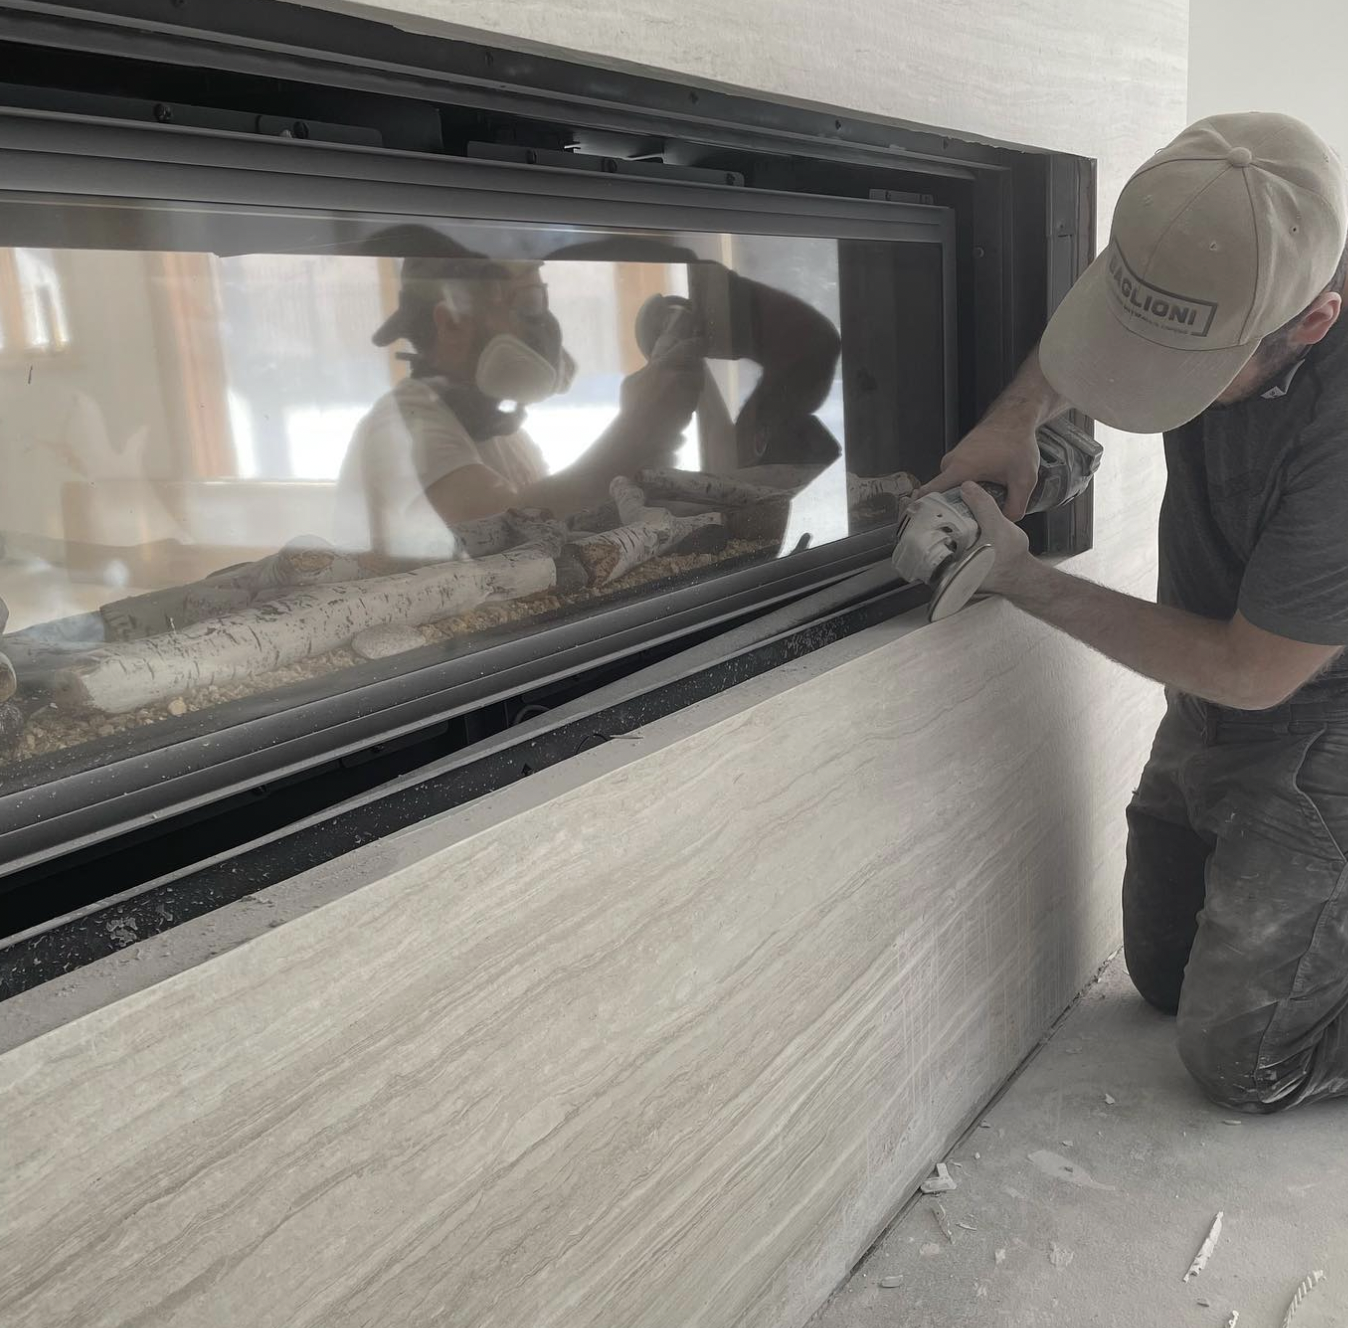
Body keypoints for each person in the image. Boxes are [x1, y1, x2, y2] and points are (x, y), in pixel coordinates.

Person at [916, 112, 1348, 1113]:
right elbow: (1101, 322)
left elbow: (1254, 672)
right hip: (1204, 703)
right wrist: (1011, 418)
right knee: (1160, 971)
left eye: (1183, 369)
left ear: (1313, 323)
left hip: (1317, 723)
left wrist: (1026, 579)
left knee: (1242, 1061)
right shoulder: (1198, 237)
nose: (1140, 381)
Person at [336, 230, 706, 559]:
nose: (544, 327)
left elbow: (562, 527)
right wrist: (635, 430)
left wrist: (650, 445)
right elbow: (501, 538)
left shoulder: (498, 432)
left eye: (541, 301)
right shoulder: (401, 428)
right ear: (451, 323)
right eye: (528, 304)